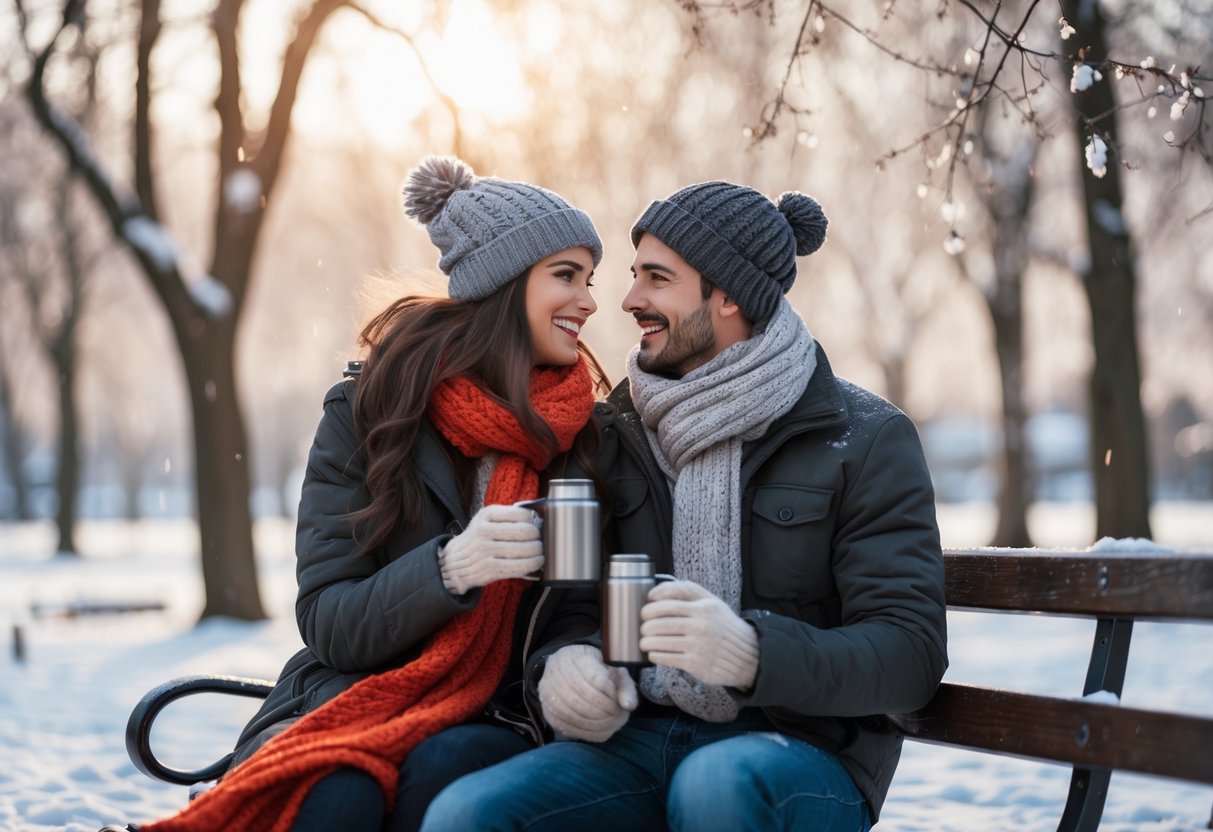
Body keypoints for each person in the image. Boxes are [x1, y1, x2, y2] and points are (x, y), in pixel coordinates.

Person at [420, 180, 949, 832]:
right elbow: (575, 603)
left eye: (656, 279)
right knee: (467, 814)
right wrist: (568, 666)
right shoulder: (613, 432)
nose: (627, 299)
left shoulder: (861, 437)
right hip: (634, 743)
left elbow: (908, 656)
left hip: (800, 750)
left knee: (714, 785)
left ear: (727, 295)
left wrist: (750, 654)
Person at [134, 156, 609, 832]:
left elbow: (583, 608)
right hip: (352, 692)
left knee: (441, 769)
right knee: (334, 794)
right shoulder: (369, 412)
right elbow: (330, 618)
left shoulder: (587, 435)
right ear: (504, 285)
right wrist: (450, 568)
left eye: (589, 279)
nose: (589, 300)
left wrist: (574, 664)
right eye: (565, 276)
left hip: (504, 712)